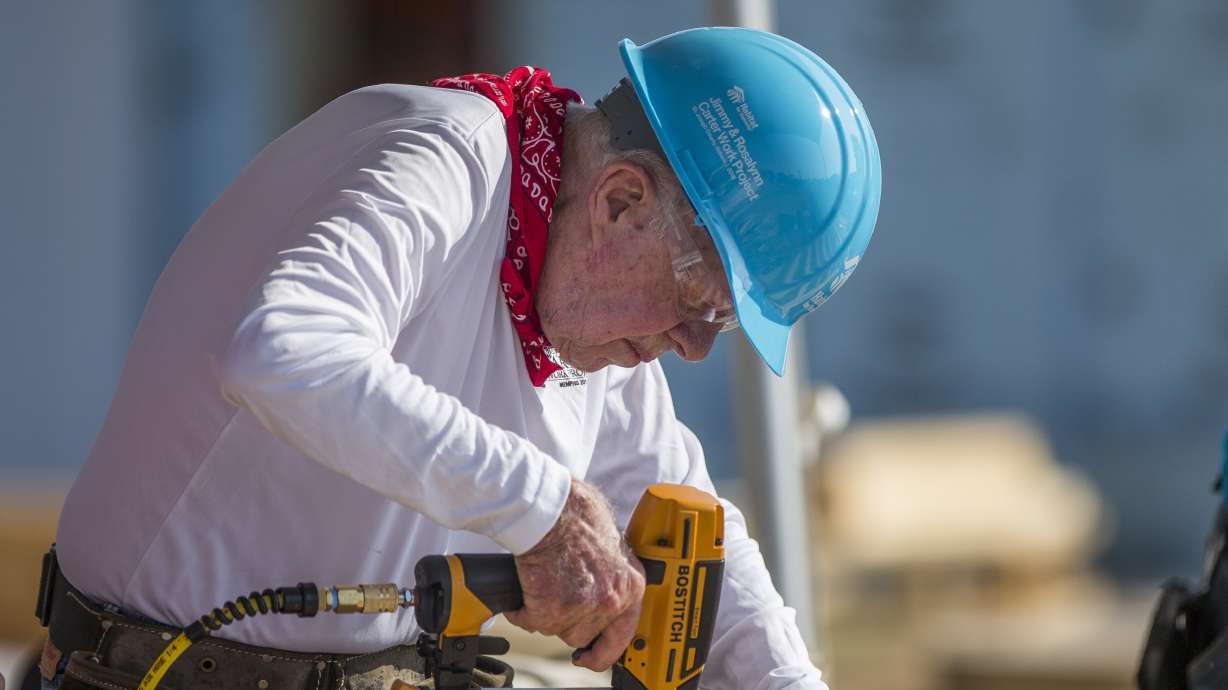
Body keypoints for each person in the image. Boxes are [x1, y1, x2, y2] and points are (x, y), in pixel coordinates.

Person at [38, 27, 880, 690]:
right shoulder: (442, 159)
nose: (693, 348)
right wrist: (540, 508)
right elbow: (284, 350)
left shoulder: (586, 311)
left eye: (723, 326)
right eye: (701, 303)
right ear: (621, 199)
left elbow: (689, 531)